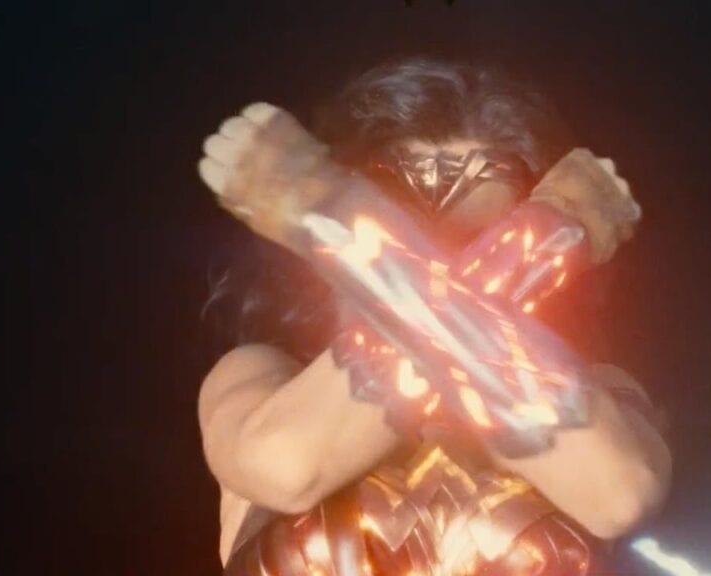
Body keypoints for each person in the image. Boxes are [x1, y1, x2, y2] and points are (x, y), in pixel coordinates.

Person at [197, 58, 671, 575]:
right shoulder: (260, 376)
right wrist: (549, 237)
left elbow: (617, 495)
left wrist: (327, 214)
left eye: (478, 244)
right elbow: (289, 467)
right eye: (401, 234)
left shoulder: (602, 388)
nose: (433, 270)